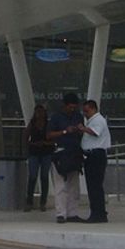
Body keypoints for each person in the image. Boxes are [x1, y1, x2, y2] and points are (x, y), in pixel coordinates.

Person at [47, 92, 84, 224]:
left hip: (74, 153)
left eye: (74, 107)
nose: (72, 109)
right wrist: (64, 131)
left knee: (74, 185)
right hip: (60, 153)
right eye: (70, 107)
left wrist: (80, 130)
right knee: (61, 185)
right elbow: (49, 135)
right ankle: (61, 213)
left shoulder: (78, 116)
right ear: (65, 105)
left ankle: (72, 213)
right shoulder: (56, 118)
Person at [78, 99, 111, 223]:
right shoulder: (93, 120)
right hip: (91, 155)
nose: (85, 114)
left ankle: (98, 213)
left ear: (93, 109)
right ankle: (97, 212)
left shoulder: (98, 120)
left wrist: (83, 129)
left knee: (95, 186)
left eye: (86, 111)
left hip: (96, 155)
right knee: (93, 186)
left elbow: (95, 132)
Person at [24, 104, 54, 212]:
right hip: (34, 152)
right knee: (32, 177)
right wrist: (31, 145)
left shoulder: (48, 124)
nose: (40, 114)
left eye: (41, 112)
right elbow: (25, 136)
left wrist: (46, 143)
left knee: (44, 177)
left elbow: (53, 138)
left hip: (46, 152)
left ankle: (43, 202)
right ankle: (29, 201)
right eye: (38, 112)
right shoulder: (32, 124)